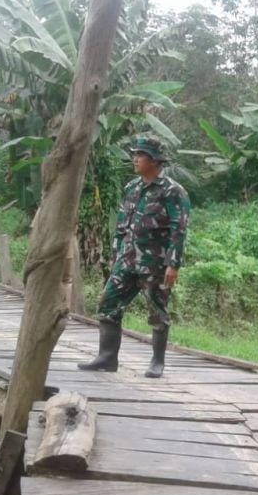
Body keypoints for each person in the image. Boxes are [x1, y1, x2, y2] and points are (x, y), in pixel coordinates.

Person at [77, 136, 191, 379]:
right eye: (134, 154)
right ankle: (107, 358)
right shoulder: (132, 188)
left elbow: (178, 229)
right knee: (107, 304)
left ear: (155, 161)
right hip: (126, 261)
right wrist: (115, 254)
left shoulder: (172, 191)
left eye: (141, 155)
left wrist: (174, 264)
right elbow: (121, 225)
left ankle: (157, 362)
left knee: (157, 311)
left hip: (155, 264)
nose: (135, 159)